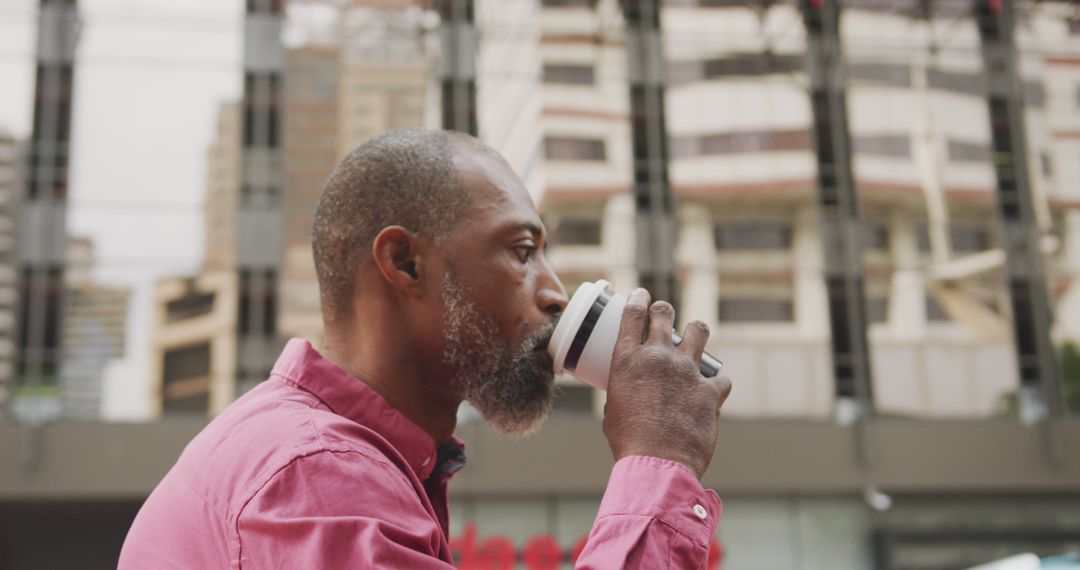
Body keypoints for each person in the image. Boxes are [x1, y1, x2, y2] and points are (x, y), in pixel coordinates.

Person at [119, 129, 733, 568]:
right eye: (522, 251)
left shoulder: (327, 457)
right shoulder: (316, 477)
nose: (554, 293)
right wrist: (659, 459)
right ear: (405, 262)